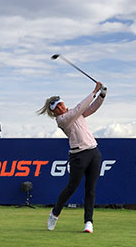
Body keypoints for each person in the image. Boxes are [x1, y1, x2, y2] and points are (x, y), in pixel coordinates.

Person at [38, 81, 106, 234]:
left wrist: (102, 95)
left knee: (91, 189)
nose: (62, 108)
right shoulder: (62, 120)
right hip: (78, 156)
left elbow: (91, 108)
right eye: (58, 108)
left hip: (94, 152)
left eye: (61, 105)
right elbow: (79, 108)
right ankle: (55, 213)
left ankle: (88, 222)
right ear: (54, 113)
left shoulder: (75, 112)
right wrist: (94, 91)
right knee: (71, 188)